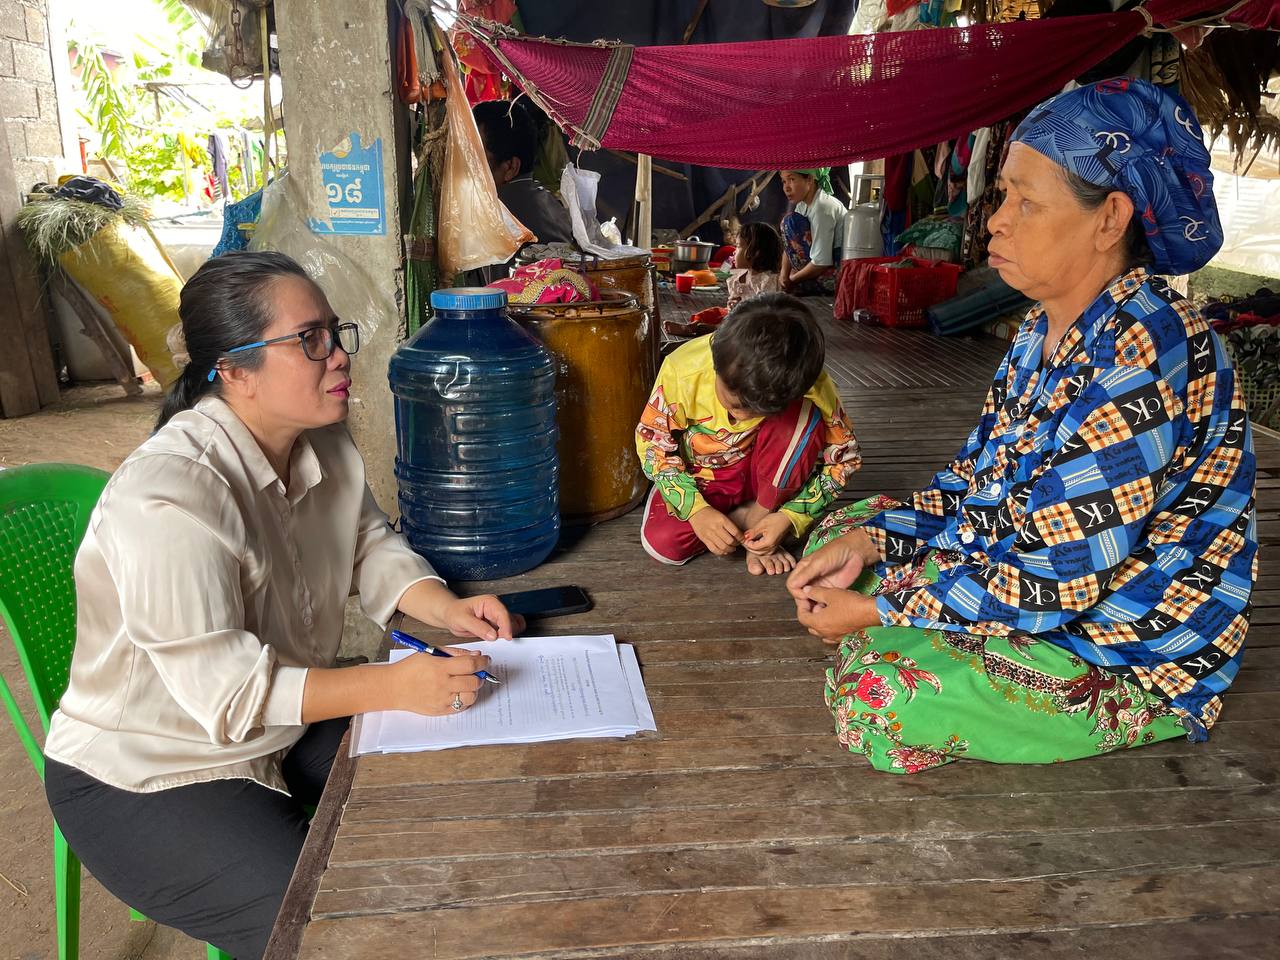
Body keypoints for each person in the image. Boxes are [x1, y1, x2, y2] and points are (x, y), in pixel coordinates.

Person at [42, 252, 524, 959]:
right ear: (233, 370)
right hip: (150, 770)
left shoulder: (318, 436)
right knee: (327, 921)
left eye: (334, 331)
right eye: (309, 340)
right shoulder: (173, 493)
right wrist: (393, 684)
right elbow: (230, 695)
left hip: (278, 728)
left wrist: (443, 607)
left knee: (439, 792)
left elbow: (365, 542)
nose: (337, 356)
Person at [786, 78, 1256, 774]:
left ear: (1110, 218)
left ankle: (927, 649)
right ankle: (908, 624)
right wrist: (870, 540)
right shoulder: (1042, 329)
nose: (996, 221)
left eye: (1026, 202)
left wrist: (885, 608)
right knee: (842, 530)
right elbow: (973, 485)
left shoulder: (1149, 352)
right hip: (1033, 570)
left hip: (1124, 647)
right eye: (1004, 195)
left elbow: (1055, 580)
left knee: (878, 697)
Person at [636, 293, 861, 576]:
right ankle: (754, 529)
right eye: (734, 403)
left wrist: (790, 516)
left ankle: (760, 518)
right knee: (663, 546)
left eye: (759, 411)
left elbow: (845, 461)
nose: (742, 416)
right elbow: (653, 447)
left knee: (805, 416)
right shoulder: (683, 372)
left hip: (768, 481)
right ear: (716, 363)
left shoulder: (813, 385)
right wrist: (696, 511)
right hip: (704, 477)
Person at [474, 99, 574, 246]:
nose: (467, 169)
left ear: (511, 168)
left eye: (476, 159)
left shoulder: (499, 216)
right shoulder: (549, 202)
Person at [779, 168, 846, 295]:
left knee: (789, 221)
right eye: (783, 182)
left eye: (791, 179)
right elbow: (789, 245)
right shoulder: (802, 205)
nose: (786, 188)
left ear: (809, 179)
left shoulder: (823, 208)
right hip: (818, 268)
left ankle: (803, 282)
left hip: (837, 274)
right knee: (789, 222)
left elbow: (821, 263)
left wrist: (792, 280)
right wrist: (783, 275)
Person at [727, 221, 783, 311]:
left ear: (756, 252)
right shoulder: (739, 278)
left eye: (738, 246)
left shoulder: (769, 281)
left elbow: (767, 312)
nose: (734, 251)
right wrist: (732, 305)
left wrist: (742, 309)